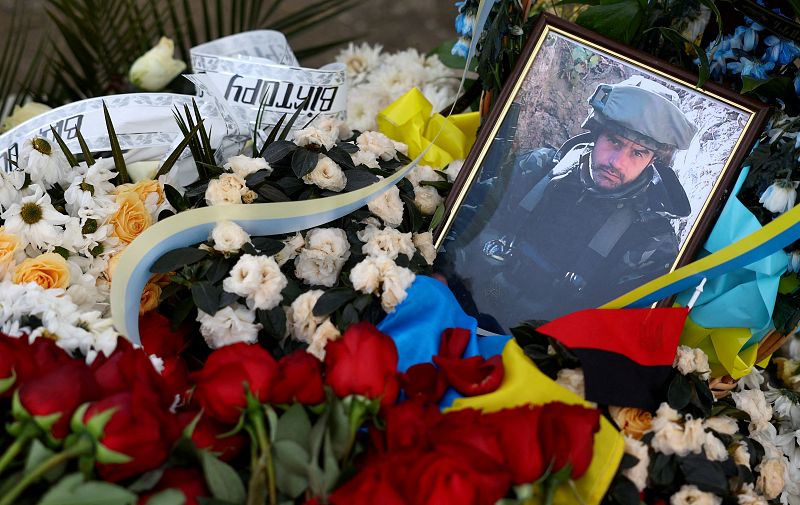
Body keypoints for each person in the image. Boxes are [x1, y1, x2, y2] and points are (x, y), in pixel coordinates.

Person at [437, 75, 698, 333]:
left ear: (652, 161)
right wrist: (441, 273)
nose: (617, 162)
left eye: (638, 153)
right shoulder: (537, 169)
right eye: (614, 141)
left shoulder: (652, 240)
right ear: (596, 134)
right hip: (458, 305)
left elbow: (620, 332)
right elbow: (466, 216)